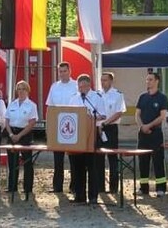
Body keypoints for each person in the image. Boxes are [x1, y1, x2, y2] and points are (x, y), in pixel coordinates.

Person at [68, 74, 104, 204]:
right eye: (79, 86)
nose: (81, 89)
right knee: (77, 167)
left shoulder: (96, 97)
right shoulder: (73, 98)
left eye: (83, 86)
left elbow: (102, 115)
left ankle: (93, 196)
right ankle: (79, 196)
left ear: (89, 86)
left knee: (92, 167)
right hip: (77, 136)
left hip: (91, 135)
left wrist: (90, 117)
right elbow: (70, 116)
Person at [135, 71, 168, 197]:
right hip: (143, 134)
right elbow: (137, 114)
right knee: (143, 161)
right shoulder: (142, 97)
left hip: (155, 133)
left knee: (158, 161)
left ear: (156, 81)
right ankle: (143, 187)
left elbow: (163, 116)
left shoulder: (162, 97)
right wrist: (142, 126)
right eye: (147, 79)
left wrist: (149, 126)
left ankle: (160, 188)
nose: (148, 82)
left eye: (150, 79)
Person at [46, 61, 78, 194]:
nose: (62, 74)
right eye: (60, 71)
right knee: (57, 159)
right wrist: (49, 126)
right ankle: (57, 186)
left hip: (73, 124)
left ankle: (74, 186)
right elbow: (50, 106)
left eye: (65, 71)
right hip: (58, 125)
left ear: (70, 71)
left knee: (74, 159)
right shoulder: (54, 86)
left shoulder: (76, 85)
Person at [5, 80, 39, 202]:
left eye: (23, 89)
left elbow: (32, 122)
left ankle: (28, 188)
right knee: (12, 162)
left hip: (25, 134)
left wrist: (19, 135)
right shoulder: (12, 104)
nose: (20, 91)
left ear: (27, 90)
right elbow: (7, 120)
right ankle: (12, 186)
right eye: (19, 89)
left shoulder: (31, 105)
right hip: (12, 133)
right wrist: (10, 133)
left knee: (27, 162)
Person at [97, 71, 126, 194]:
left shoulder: (117, 94)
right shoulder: (97, 94)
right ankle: (99, 187)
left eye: (105, 80)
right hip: (98, 128)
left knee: (112, 158)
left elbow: (119, 112)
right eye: (102, 80)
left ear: (111, 81)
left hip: (110, 128)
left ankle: (114, 187)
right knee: (98, 158)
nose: (103, 82)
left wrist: (106, 123)